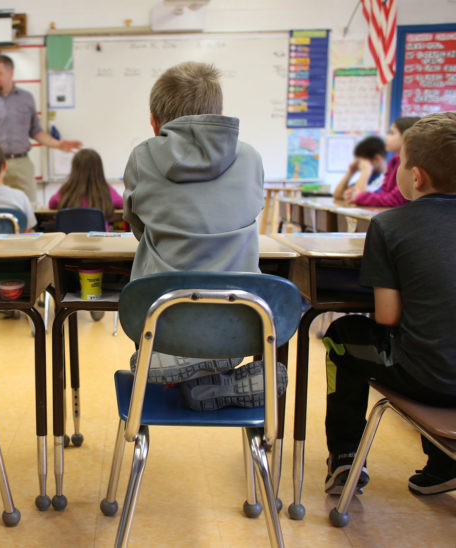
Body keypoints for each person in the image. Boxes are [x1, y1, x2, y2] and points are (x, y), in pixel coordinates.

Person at [123, 62, 283, 411]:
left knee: (158, 270)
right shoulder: (251, 157)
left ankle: (181, 367)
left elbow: (136, 225)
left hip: (162, 317)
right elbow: (249, 212)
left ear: (154, 122)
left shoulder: (142, 157)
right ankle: (209, 380)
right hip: (239, 319)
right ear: (220, 117)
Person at [322, 112, 456, 496]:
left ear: (416, 177)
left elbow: (387, 316)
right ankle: (443, 462)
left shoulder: (390, 225)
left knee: (340, 336)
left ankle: (345, 457)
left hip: (426, 378)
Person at [0, 54, 82, 204]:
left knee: (28, 207)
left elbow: (36, 131)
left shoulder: (26, 98)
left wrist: (58, 144)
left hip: (21, 163)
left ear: (10, 73)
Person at [346, 117, 420, 207]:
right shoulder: (394, 161)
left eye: (392, 133)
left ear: (407, 137)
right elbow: (384, 193)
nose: (387, 137)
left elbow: (395, 200)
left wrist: (360, 197)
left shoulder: (411, 164)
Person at [47, 148, 124, 220]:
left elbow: (52, 204)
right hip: (99, 234)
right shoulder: (106, 189)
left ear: (74, 169)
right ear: (99, 169)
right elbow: (122, 204)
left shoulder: (66, 189)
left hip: (70, 234)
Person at [332, 136, 386, 201]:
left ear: (377, 159)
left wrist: (366, 170)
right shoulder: (368, 177)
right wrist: (350, 171)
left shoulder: (385, 179)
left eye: (362, 162)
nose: (359, 165)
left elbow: (357, 198)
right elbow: (337, 195)